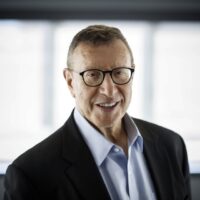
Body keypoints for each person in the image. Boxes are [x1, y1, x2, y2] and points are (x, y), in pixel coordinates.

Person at [4, 25, 191, 200]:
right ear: (70, 82)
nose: (109, 90)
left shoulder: (172, 146)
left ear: (132, 74)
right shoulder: (30, 174)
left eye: (119, 72)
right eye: (93, 74)